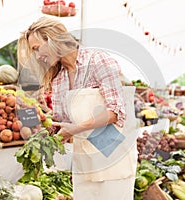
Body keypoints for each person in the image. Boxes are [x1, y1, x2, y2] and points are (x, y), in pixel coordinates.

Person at [17, 17, 137, 200]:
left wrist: (75, 128)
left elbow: (115, 112)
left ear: (53, 39)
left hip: (114, 154)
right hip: (86, 159)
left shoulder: (97, 60)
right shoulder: (59, 78)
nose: (38, 56)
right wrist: (36, 120)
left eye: (36, 48)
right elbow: (59, 124)